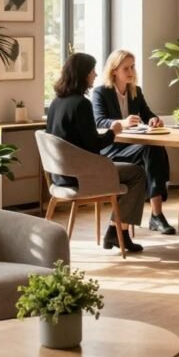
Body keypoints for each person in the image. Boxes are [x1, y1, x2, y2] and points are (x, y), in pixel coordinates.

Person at [46, 52, 145, 252]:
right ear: (83, 74)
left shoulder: (56, 103)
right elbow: (93, 146)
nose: (95, 74)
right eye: (92, 71)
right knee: (136, 174)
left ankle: (116, 232)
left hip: (59, 175)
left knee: (128, 170)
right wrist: (113, 132)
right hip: (81, 176)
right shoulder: (82, 104)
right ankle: (118, 232)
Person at [92, 49, 175, 235]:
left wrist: (154, 120)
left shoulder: (135, 91)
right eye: (126, 68)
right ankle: (157, 215)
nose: (131, 72)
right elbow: (99, 121)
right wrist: (121, 123)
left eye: (133, 67)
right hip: (110, 149)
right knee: (152, 150)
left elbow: (147, 114)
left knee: (154, 148)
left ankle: (156, 215)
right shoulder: (100, 93)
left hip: (132, 146)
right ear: (114, 71)